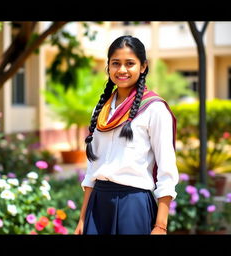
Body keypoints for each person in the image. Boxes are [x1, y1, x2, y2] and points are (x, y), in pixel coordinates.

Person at [74, 35, 179, 235]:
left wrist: (160, 225)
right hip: (98, 205)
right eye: (116, 63)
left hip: (133, 205)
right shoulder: (102, 111)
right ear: (108, 67)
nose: (122, 70)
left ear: (143, 67)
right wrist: (82, 219)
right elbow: (92, 169)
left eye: (130, 63)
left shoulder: (154, 108)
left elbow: (166, 169)